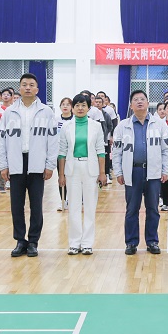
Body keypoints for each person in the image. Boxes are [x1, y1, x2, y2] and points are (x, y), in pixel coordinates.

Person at [0, 73, 58, 258]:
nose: (28, 87)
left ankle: (33, 241)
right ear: (19, 88)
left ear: (37, 89)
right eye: (24, 84)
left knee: (36, 205)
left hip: (37, 163)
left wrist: (50, 164)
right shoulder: (9, 112)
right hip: (15, 162)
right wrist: (3, 164)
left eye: (31, 85)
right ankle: (20, 241)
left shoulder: (46, 111)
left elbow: (52, 140)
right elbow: (2, 140)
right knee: (16, 205)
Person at [112, 89, 168, 256]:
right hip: (132, 172)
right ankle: (131, 242)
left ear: (147, 103)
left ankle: (152, 241)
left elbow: (166, 150)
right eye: (136, 99)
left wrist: (165, 170)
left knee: (153, 209)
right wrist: (118, 171)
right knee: (132, 209)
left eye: (142, 99)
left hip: (153, 172)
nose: (139, 102)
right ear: (131, 105)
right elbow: (116, 152)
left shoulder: (159, 124)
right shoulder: (122, 126)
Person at [57, 94, 106, 255]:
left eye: (83, 105)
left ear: (89, 108)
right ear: (72, 108)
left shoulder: (96, 126)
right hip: (72, 169)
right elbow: (62, 152)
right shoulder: (66, 126)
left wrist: (102, 173)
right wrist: (61, 174)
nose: (80, 108)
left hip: (91, 168)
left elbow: (101, 150)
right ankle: (74, 243)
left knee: (90, 207)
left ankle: (87, 244)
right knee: (74, 206)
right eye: (77, 105)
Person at [55, 97, 74, 210]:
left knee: (72, 177)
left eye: (68, 104)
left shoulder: (75, 120)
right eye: (63, 104)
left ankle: (72, 200)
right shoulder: (55, 120)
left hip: (73, 154)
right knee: (61, 176)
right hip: (60, 154)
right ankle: (62, 200)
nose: (65, 106)